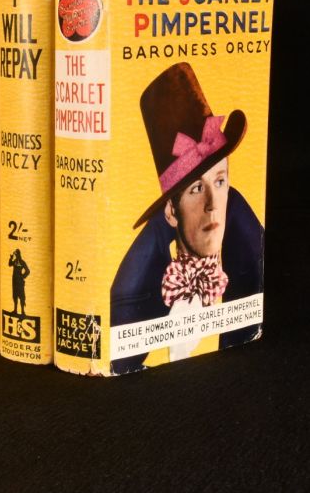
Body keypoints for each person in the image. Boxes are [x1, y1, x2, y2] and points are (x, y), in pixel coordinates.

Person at [110, 62, 264, 374]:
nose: (213, 205)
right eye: (195, 188)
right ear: (171, 211)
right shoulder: (136, 286)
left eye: (219, 181)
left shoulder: (251, 254)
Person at [8, 248, 30, 315]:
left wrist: (23, 276)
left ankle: (22, 311)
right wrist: (11, 258)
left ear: (18, 254)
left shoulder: (22, 262)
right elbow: (10, 264)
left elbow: (27, 271)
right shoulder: (15, 261)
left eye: (16, 254)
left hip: (20, 281)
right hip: (14, 281)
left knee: (21, 296)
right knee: (15, 295)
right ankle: (15, 310)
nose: (15, 255)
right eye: (15, 254)